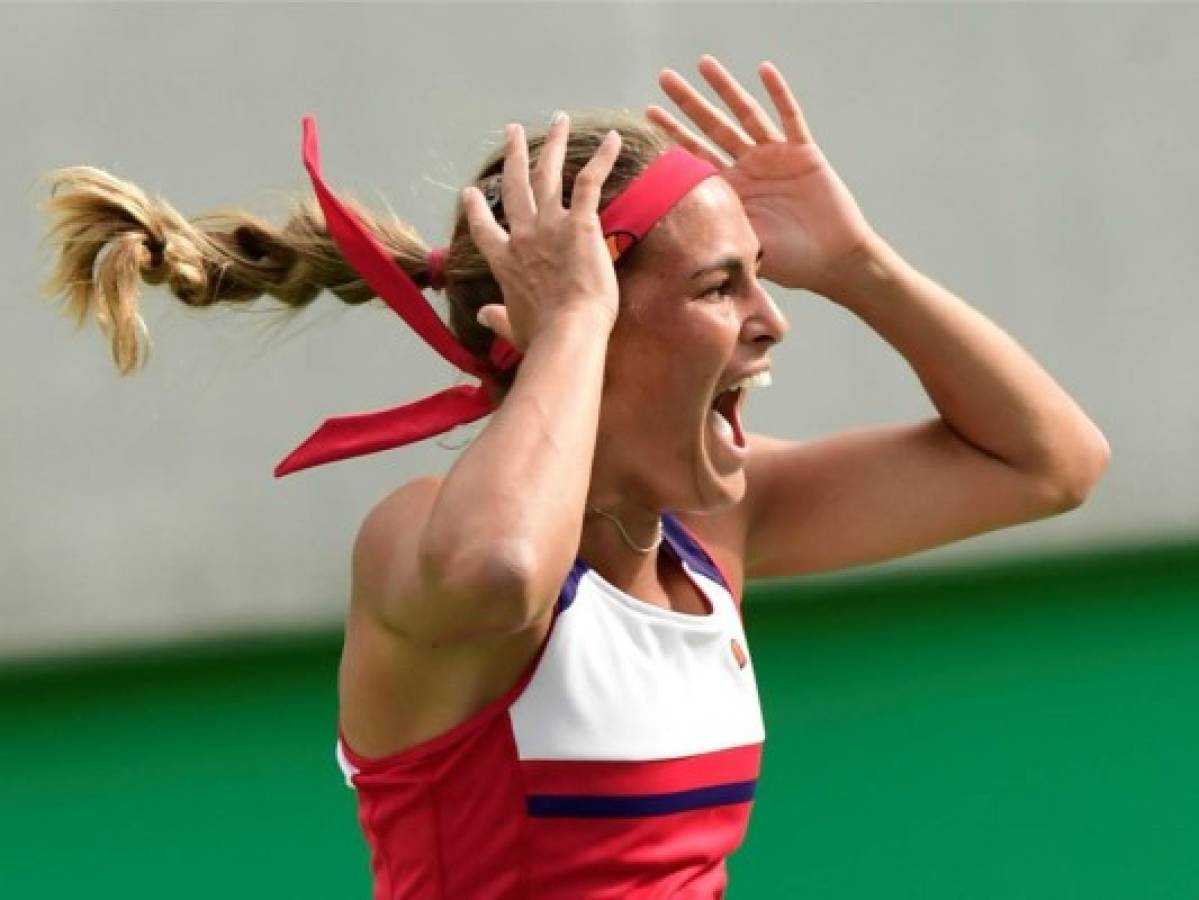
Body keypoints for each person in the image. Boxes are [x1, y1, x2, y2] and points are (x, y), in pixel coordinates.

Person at [38, 55, 1109, 898]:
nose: (770, 318)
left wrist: (858, 263)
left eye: (763, 280)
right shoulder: (424, 539)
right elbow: (499, 571)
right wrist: (575, 325)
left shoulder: (707, 531)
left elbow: (1047, 463)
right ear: (574, 317)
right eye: (717, 287)